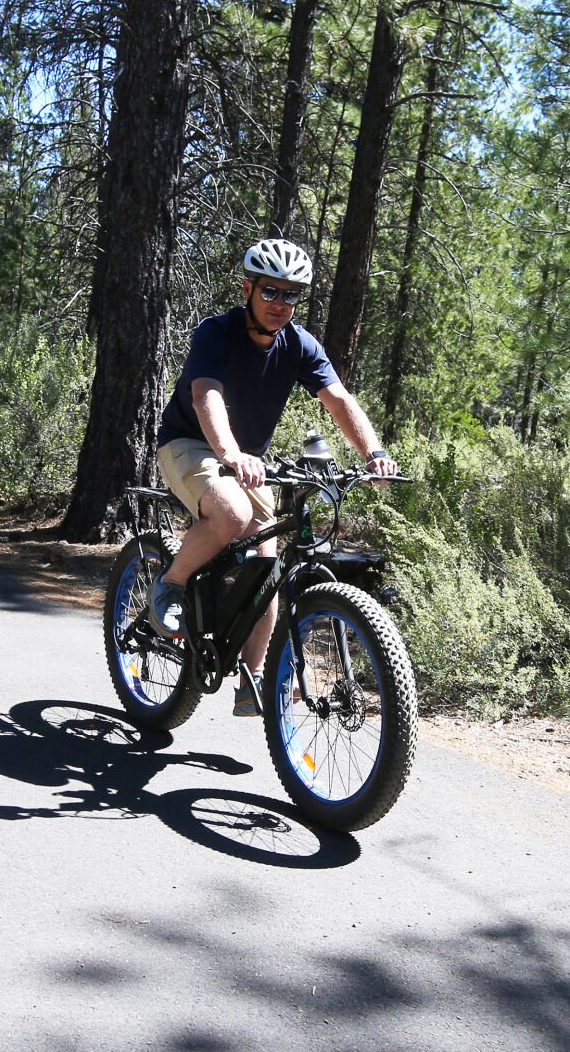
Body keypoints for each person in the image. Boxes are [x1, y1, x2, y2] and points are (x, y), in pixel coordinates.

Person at [147, 238, 401, 716]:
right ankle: (172, 582)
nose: (279, 305)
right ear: (248, 288)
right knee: (232, 512)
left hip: (247, 460)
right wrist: (230, 452)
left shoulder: (299, 345)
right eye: (270, 292)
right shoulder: (216, 333)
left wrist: (375, 453)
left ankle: (254, 677)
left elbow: (340, 401)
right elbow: (207, 399)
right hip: (190, 444)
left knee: (267, 561)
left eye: (290, 296)